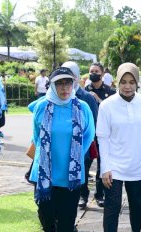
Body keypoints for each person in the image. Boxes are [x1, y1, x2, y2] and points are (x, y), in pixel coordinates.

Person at [29, 67, 95, 232]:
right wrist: (47, 157)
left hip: (71, 172)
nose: (65, 88)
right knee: (45, 209)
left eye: (68, 83)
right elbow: (36, 136)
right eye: (60, 83)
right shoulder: (42, 106)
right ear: (52, 86)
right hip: (45, 170)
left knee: (67, 213)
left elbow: (89, 135)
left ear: (74, 84)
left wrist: (74, 157)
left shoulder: (82, 107)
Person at [97, 63, 141, 232]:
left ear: (137, 83)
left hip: (137, 163)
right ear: (117, 82)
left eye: (131, 82)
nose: (127, 86)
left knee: (139, 203)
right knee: (112, 208)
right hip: (114, 165)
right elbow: (102, 137)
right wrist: (105, 168)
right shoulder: (107, 105)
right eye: (123, 82)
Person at [61, 61, 99, 212]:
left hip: (83, 144)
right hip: (63, 145)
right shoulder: (58, 96)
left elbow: (94, 122)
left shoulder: (86, 98)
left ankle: (83, 195)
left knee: (80, 172)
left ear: (76, 77)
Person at [85, 62, 116, 207]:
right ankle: (83, 196)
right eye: (91, 71)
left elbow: (115, 110)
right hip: (89, 134)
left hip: (104, 134)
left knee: (102, 165)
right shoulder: (84, 91)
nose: (93, 73)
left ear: (102, 74)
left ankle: (100, 195)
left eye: (96, 71)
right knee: (85, 164)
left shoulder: (110, 92)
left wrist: (98, 100)